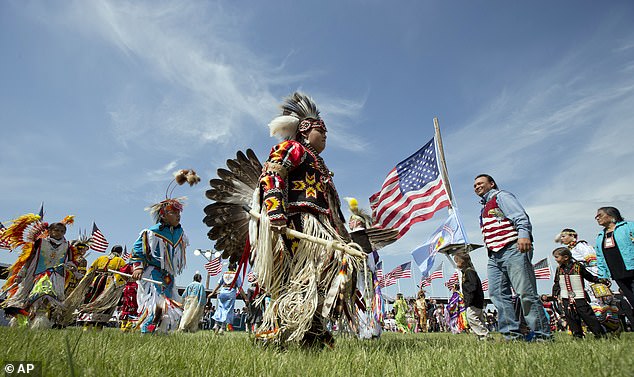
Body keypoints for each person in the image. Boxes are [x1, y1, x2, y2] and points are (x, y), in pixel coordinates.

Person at [251, 92, 364, 348]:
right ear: (304, 130)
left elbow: (330, 206)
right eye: (320, 130)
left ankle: (310, 328)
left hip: (319, 226)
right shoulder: (293, 148)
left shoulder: (319, 162)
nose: (325, 135)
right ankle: (282, 330)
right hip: (297, 223)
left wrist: (339, 232)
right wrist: (277, 212)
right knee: (301, 277)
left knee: (330, 271)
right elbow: (272, 174)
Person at [474, 174, 551, 341]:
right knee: (498, 295)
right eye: (475, 185)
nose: (477, 187)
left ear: (491, 183)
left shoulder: (501, 196)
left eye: (480, 183)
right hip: (494, 255)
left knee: (526, 293)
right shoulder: (484, 207)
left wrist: (523, 235)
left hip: (512, 248)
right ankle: (511, 336)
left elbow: (520, 216)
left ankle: (543, 336)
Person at [2, 215, 80, 328]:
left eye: (62, 231)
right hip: (35, 273)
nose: (59, 233)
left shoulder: (67, 246)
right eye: (56, 230)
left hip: (55, 276)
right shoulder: (39, 243)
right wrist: (22, 272)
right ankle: (21, 322)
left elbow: (72, 261)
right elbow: (28, 258)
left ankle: (40, 321)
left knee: (45, 296)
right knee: (25, 298)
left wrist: (72, 268)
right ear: (49, 231)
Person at [131, 197, 189, 334]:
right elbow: (138, 249)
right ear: (163, 215)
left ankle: (161, 331)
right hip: (153, 273)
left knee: (169, 303)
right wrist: (138, 267)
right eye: (173, 213)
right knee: (156, 303)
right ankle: (147, 330)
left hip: (168, 276)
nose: (178, 216)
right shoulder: (152, 232)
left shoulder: (179, 233)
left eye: (179, 213)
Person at [551, 247, 608, 338]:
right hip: (566, 297)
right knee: (571, 317)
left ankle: (600, 334)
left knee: (588, 316)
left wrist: (599, 280)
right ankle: (577, 335)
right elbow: (557, 282)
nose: (555, 259)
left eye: (557, 257)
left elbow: (588, 276)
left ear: (565, 257)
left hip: (579, 297)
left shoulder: (577, 266)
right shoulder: (559, 269)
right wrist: (555, 294)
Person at [76, 245, 127, 329]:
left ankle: (87, 326)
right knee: (104, 303)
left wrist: (86, 281)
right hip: (110, 283)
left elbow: (91, 270)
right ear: (120, 253)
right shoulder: (120, 260)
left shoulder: (101, 258)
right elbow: (122, 274)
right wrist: (117, 284)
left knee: (92, 299)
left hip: (97, 280)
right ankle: (98, 327)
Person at [594, 207, 634, 308]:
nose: (597, 218)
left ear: (612, 216)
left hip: (631, 267)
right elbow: (600, 257)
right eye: (596, 216)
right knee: (631, 299)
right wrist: (602, 275)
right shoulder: (600, 236)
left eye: (600, 215)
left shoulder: (628, 227)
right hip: (617, 273)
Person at [454, 252, 490, 340]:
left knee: (471, 317)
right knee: (479, 318)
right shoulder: (468, 272)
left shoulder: (469, 272)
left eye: (457, 261)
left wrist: (469, 300)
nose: (456, 264)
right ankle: (481, 336)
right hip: (476, 300)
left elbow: (473, 286)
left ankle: (484, 334)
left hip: (473, 301)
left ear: (462, 262)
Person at [210, 262, 247, 334]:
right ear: (235, 268)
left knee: (220, 308)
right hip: (231, 292)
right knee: (227, 310)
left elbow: (219, 284)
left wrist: (213, 292)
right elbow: (239, 287)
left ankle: (216, 324)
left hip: (223, 291)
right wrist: (245, 297)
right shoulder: (236, 275)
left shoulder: (224, 274)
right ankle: (222, 328)